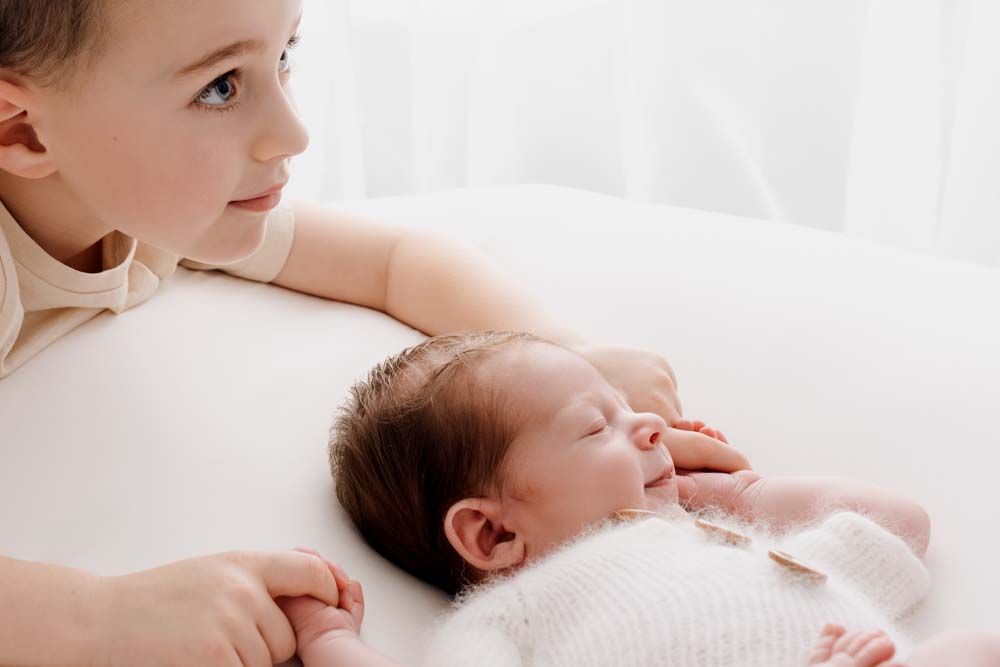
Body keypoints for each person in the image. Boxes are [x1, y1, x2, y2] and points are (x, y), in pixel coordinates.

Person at [0, 1, 749, 665]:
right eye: (220, 87)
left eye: (284, 55)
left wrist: (574, 360)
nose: (292, 131)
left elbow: (392, 262)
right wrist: (96, 621)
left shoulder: (152, 198)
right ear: (22, 130)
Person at [274, 331, 1000, 666]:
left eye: (628, 409)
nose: (651, 425)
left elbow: (901, 524)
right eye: (599, 426)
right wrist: (328, 639)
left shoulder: (744, 548)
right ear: (493, 536)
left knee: (972, 646)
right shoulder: (517, 611)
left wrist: (735, 492)